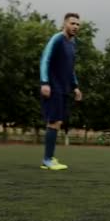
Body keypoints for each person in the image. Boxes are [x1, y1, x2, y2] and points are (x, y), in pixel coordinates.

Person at [39, 13, 83, 170]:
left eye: (78, 24)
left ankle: (49, 158)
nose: (75, 27)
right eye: (72, 23)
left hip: (64, 88)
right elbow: (45, 59)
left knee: (58, 122)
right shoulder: (57, 38)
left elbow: (70, 69)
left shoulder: (73, 43)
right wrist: (44, 82)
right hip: (53, 86)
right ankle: (47, 159)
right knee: (54, 121)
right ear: (65, 24)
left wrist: (75, 87)